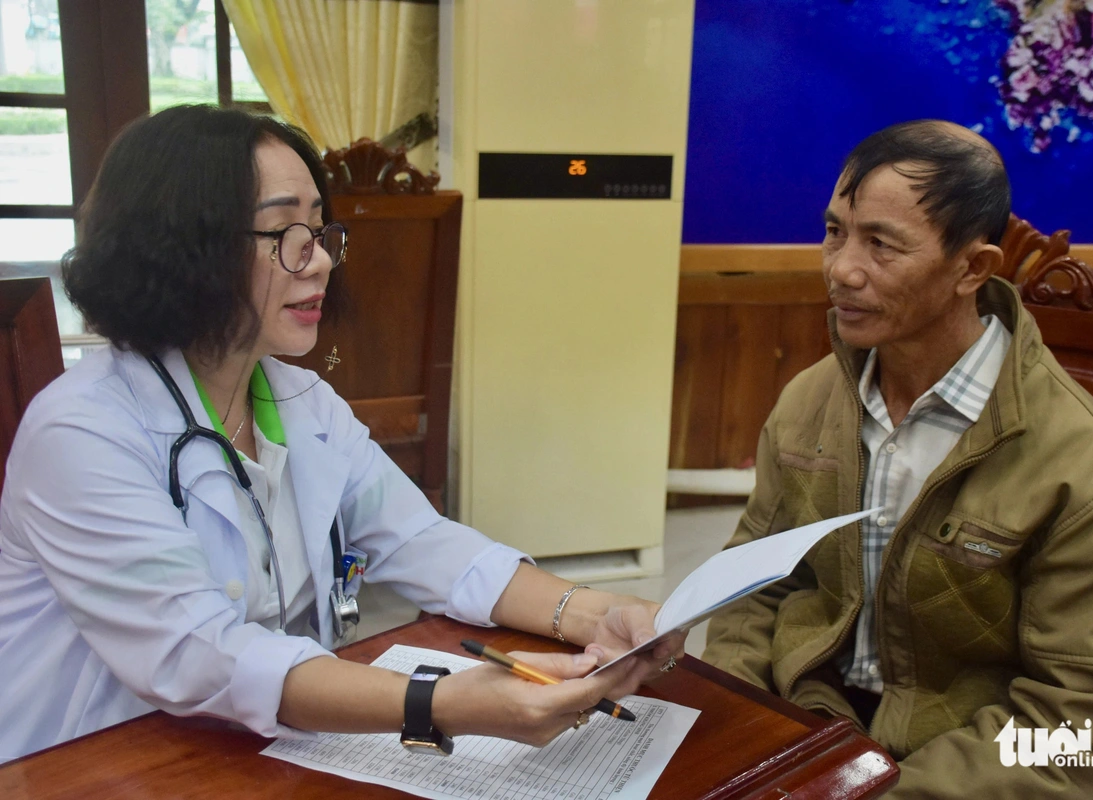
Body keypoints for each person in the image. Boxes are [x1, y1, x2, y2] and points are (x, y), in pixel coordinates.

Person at [0, 105, 680, 763]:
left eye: (320, 232)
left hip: (259, 748)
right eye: (283, 234)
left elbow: (420, 540)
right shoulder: (82, 432)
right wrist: (438, 704)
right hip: (93, 760)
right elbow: (196, 653)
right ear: (180, 251)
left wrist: (591, 613)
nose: (321, 261)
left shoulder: (302, 401)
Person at [703, 120, 1093, 797]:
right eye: (835, 232)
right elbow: (754, 583)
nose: (841, 269)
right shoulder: (812, 399)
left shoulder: (1092, 473)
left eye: (881, 244)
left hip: (955, 762)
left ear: (973, 268)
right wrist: (740, 727)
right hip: (806, 721)